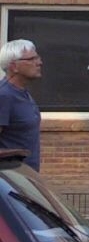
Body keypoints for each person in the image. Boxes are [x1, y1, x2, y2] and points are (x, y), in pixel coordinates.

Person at [0, 39, 42, 170]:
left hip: (26, 178)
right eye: (32, 59)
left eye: (38, 58)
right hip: (9, 182)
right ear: (14, 66)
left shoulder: (24, 93)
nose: (39, 62)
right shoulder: (4, 96)